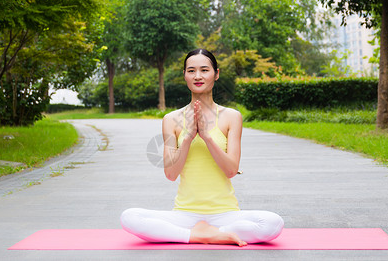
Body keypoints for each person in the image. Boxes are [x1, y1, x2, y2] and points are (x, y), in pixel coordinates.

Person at [120, 49, 284, 246]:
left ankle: (206, 232)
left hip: (225, 213)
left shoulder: (231, 117)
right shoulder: (171, 120)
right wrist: (188, 137)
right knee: (129, 217)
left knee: (273, 223)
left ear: (216, 74)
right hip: (184, 214)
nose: (197, 76)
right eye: (191, 71)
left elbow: (231, 170)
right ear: (184, 75)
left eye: (204, 70)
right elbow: (171, 174)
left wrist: (206, 137)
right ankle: (201, 236)